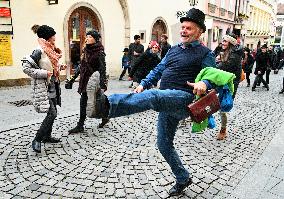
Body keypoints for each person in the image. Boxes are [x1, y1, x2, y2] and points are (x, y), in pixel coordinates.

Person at [88, 8, 217, 196]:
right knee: (163, 144)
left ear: (199, 31)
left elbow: (212, 76)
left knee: (154, 96)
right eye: (183, 27)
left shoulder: (206, 53)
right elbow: (159, 69)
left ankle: (106, 105)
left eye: (189, 28)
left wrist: (203, 83)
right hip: (168, 100)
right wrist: (143, 84)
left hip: (185, 100)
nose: (184, 31)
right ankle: (183, 177)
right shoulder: (173, 50)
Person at [22, 24, 67, 153]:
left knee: (53, 113)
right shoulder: (39, 50)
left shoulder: (50, 50)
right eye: (53, 36)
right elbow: (26, 68)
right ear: (48, 37)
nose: (55, 38)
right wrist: (43, 73)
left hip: (53, 86)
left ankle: (47, 136)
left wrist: (59, 67)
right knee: (52, 113)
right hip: (44, 87)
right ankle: (37, 139)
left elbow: (50, 66)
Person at [68, 30, 108, 134]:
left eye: (89, 37)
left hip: (94, 81)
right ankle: (80, 125)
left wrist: (102, 84)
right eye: (86, 36)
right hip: (85, 80)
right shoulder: (85, 50)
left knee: (98, 101)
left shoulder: (100, 52)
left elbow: (102, 69)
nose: (86, 38)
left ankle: (105, 117)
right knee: (83, 101)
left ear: (95, 39)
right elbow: (81, 66)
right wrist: (72, 79)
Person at [215, 33, 242, 140]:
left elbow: (222, 67)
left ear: (231, 43)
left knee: (223, 108)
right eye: (223, 40)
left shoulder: (235, 55)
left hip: (230, 85)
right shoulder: (224, 51)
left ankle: (223, 130)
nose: (222, 42)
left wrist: (216, 62)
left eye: (225, 41)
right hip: (221, 82)